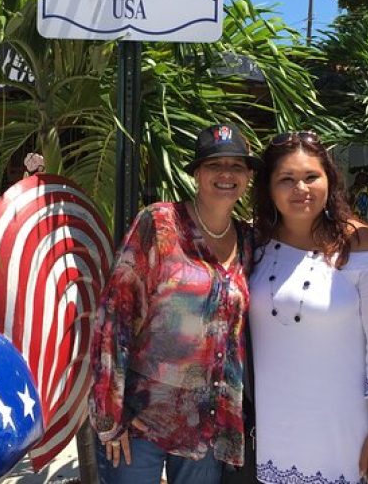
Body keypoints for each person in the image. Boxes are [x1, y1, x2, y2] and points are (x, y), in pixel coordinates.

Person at [89, 123, 262, 484]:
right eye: (215, 165)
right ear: (197, 173)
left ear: (248, 176)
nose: (226, 174)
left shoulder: (248, 241)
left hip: (207, 425)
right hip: (141, 420)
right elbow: (115, 317)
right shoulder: (160, 224)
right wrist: (109, 414)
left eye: (237, 166)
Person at [249, 131, 368, 484]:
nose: (300, 189)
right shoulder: (254, 243)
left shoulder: (361, 246)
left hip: (344, 436)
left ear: (329, 181)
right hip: (275, 437)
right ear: (269, 188)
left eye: (311, 177)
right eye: (286, 179)